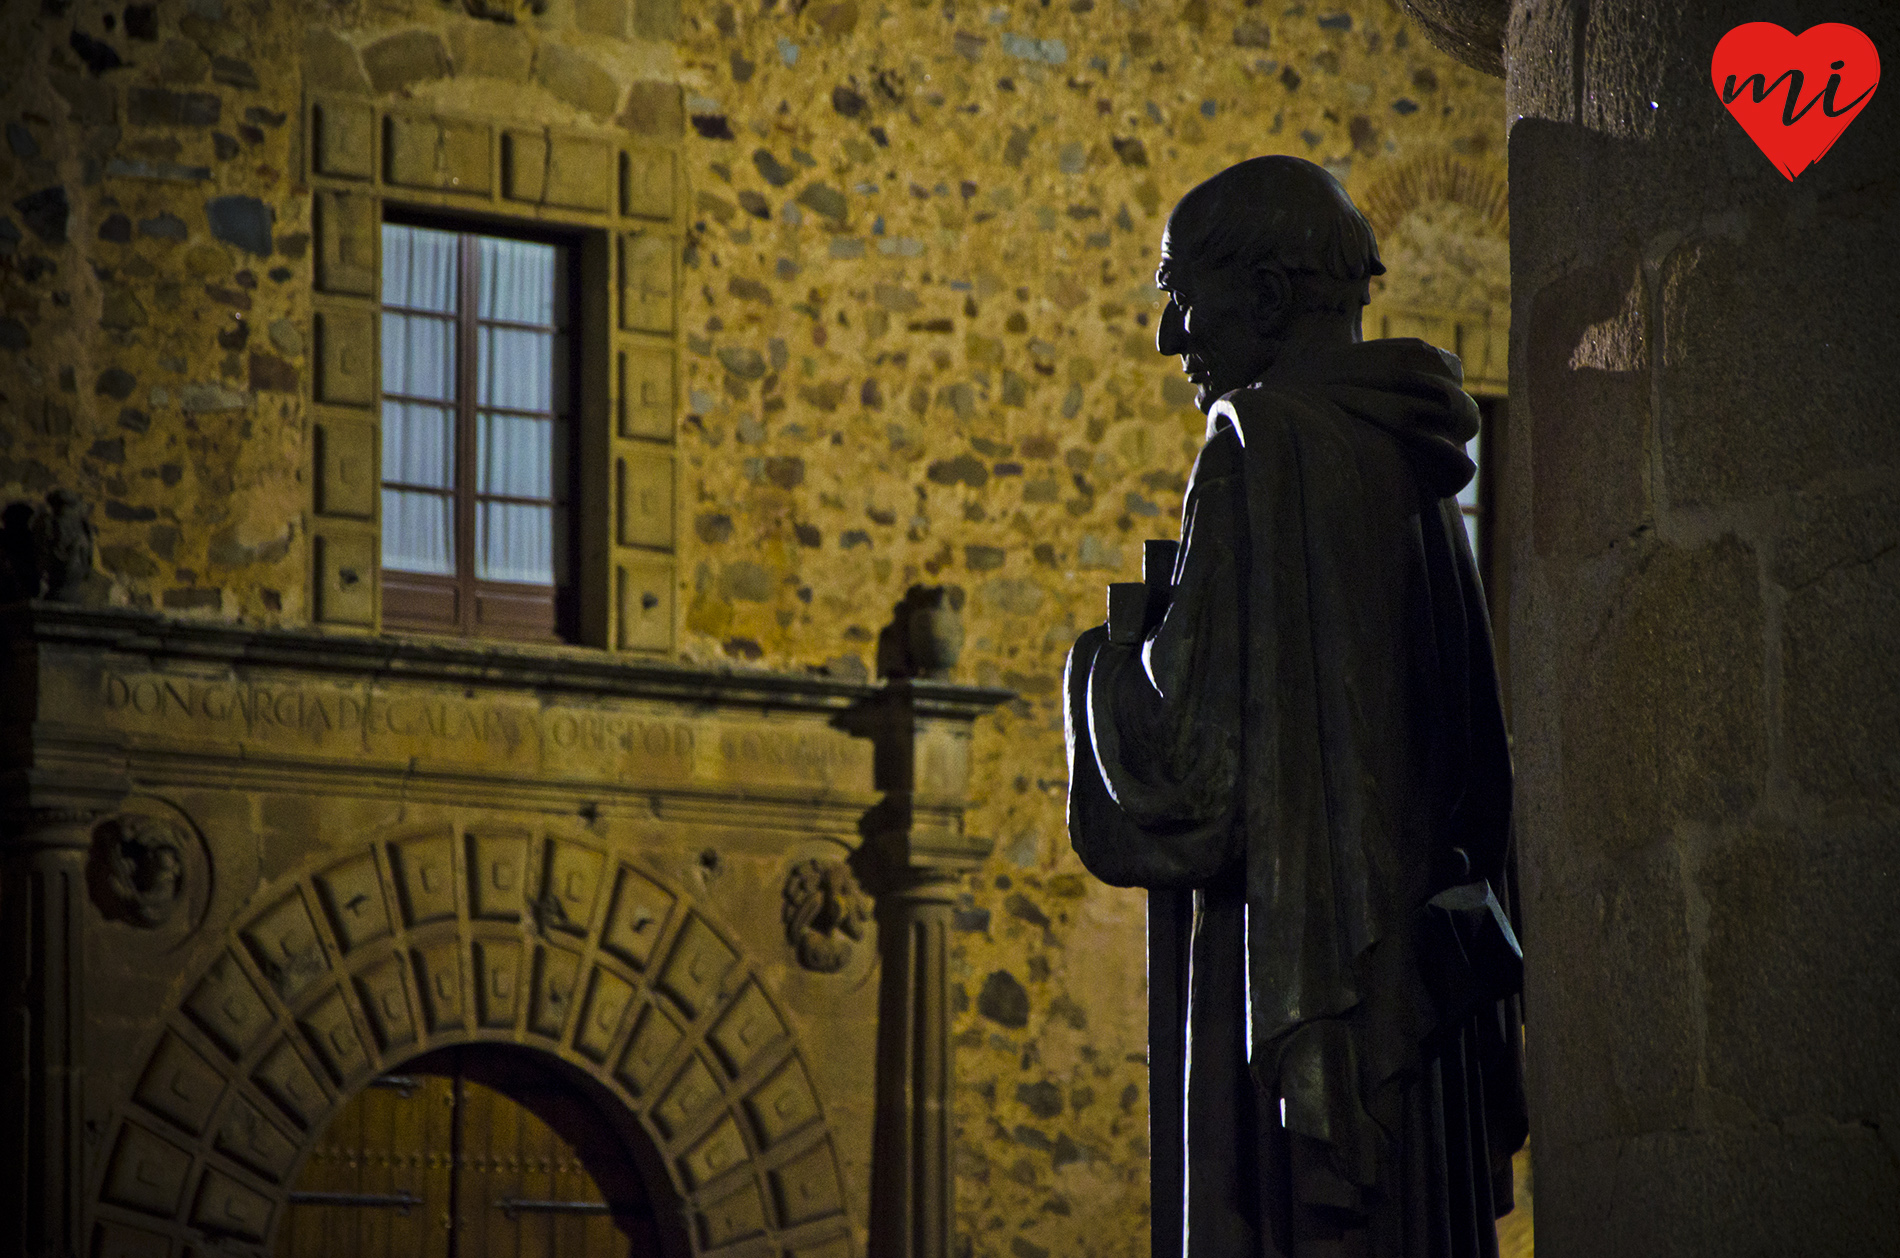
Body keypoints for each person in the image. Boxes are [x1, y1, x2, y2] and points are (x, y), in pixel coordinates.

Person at [1065, 156, 1527, 1258]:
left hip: (1297, 984)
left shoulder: (1256, 443)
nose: (1171, 338)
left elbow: (1190, 772)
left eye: (1183, 298)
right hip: (1413, 1012)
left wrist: (1098, 665)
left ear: (1267, 296)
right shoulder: (1419, 465)